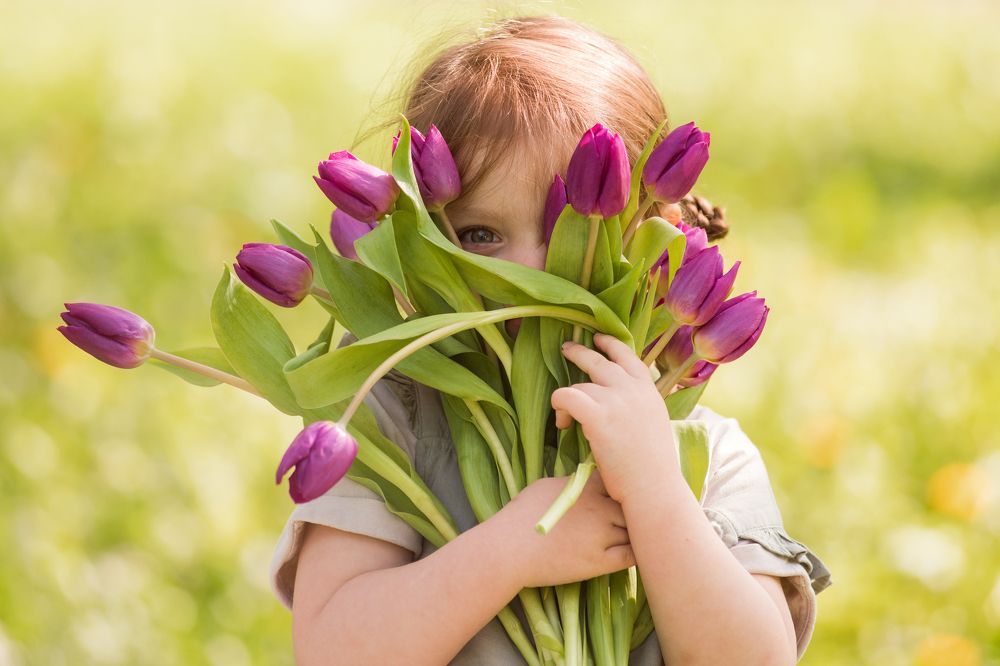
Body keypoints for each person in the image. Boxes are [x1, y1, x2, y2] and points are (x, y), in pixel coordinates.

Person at [269, 15, 832, 665]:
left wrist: (655, 494)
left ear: (658, 235)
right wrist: (512, 550)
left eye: (569, 227)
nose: (526, 276)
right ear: (412, 236)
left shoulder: (701, 453)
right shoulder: (389, 423)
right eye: (479, 235)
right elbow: (334, 654)